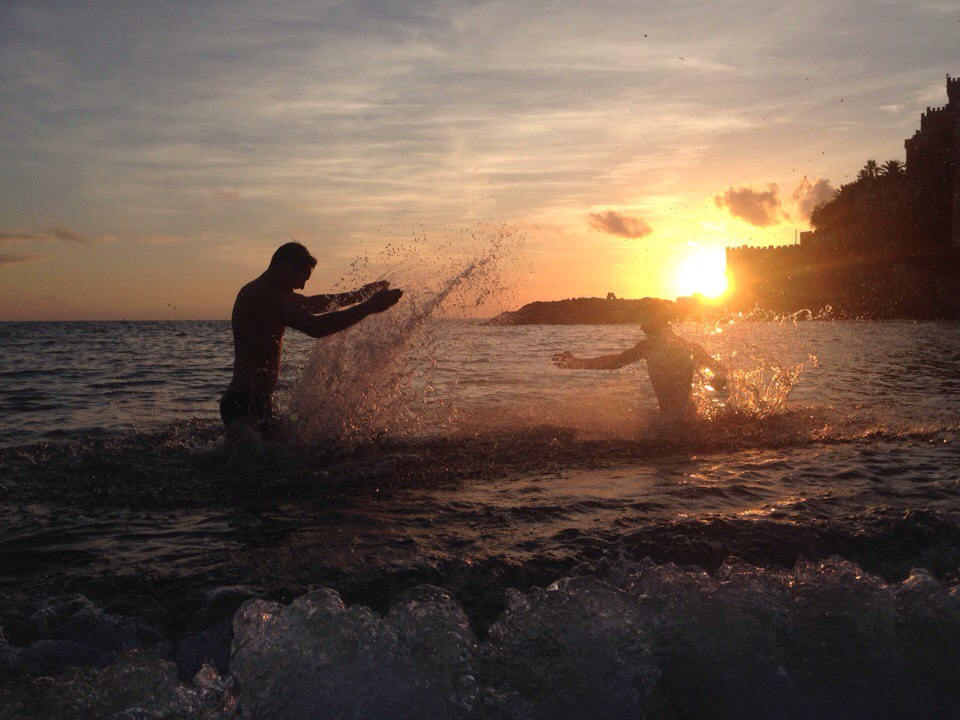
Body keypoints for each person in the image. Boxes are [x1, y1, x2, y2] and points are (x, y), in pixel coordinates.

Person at [221, 241, 402, 449]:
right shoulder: (260, 295)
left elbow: (312, 303)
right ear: (286, 267)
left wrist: (359, 295)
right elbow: (316, 327)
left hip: (260, 403)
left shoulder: (275, 294)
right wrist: (367, 307)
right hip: (242, 406)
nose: (301, 286)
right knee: (247, 475)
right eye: (300, 278)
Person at [552, 298, 727, 424]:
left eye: (645, 318)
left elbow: (615, 362)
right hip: (685, 421)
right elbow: (721, 369)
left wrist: (578, 363)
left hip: (675, 424)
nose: (641, 325)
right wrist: (719, 377)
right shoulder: (685, 346)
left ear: (657, 320)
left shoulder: (653, 347)